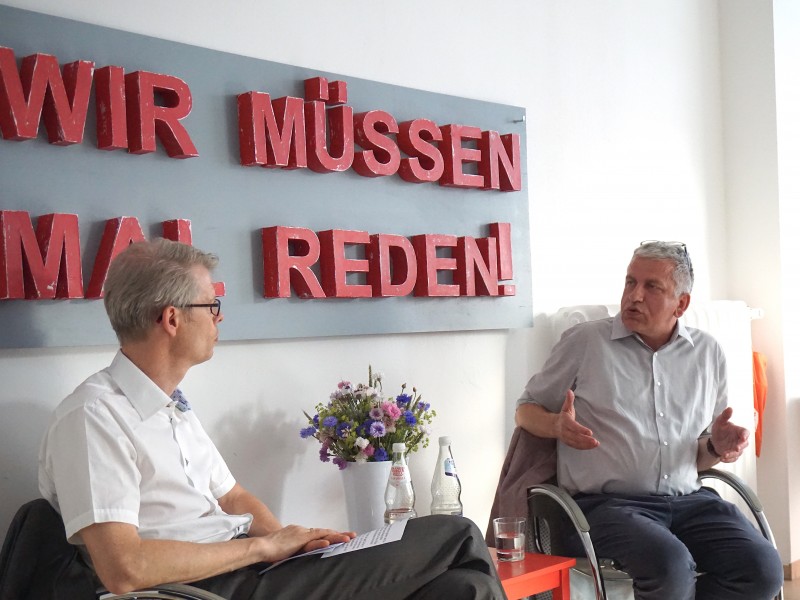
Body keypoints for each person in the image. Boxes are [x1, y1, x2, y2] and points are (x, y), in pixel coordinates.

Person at [38, 238, 505, 600]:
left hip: (253, 571)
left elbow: (234, 496)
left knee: (468, 590)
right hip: (207, 590)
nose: (220, 319)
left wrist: (291, 543)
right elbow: (125, 568)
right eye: (211, 306)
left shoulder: (170, 407)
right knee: (457, 534)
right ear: (172, 319)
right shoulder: (94, 416)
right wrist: (266, 548)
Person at [515, 241, 783, 600]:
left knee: (763, 569)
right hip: (605, 506)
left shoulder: (707, 353)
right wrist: (555, 427)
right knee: (670, 567)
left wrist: (716, 446)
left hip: (689, 501)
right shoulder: (585, 342)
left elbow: (699, 457)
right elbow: (525, 409)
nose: (634, 296)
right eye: (630, 282)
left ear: (682, 304)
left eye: (651, 287)